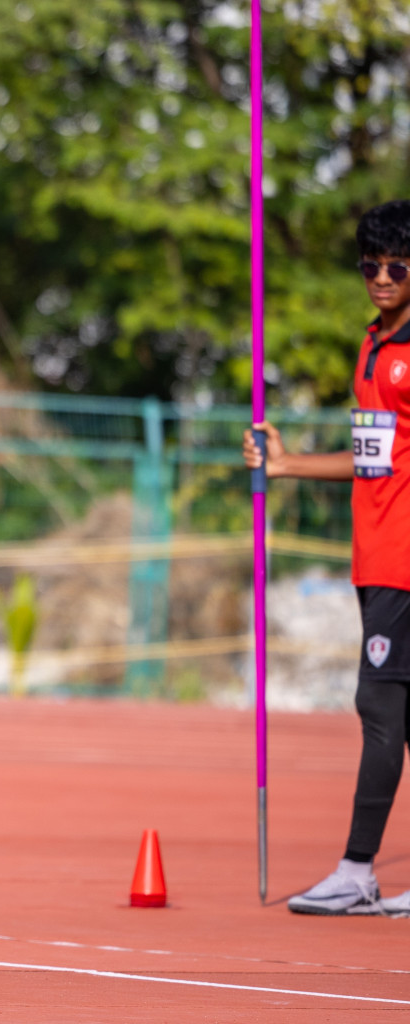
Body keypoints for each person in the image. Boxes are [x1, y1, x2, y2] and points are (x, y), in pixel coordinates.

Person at [244, 199, 410, 916]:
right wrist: (287, 467)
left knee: (378, 702)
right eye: (369, 264)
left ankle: (357, 868)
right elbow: (374, 461)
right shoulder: (374, 344)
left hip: (405, 556)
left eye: (396, 266)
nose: (380, 277)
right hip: (374, 551)